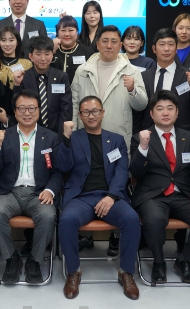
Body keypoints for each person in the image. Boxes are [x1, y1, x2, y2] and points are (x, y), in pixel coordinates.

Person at [58, 97, 141, 300]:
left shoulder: (117, 140)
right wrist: (66, 139)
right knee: (66, 220)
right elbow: (63, 166)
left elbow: (122, 172)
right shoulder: (73, 138)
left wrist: (111, 196)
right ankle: (73, 271)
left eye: (95, 111)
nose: (91, 115)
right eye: (86, 112)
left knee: (131, 219)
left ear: (102, 113)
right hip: (81, 197)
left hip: (111, 197)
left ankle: (126, 272)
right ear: (80, 116)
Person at [130, 90, 190, 284]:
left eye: (170, 108)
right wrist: (143, 147)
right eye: (160, 109)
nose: (165, 112)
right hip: (152, 196)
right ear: (151, 114)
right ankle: (158, 262)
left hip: (184, 195)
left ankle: (185, 260)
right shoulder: (140, 138)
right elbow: (135, 172)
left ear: (177, 112)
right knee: (155, 220)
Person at [0, 89, 61, 284]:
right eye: (21, 108)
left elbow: (57, 172)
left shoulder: (51, 137)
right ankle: (11, 258)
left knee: (48, 216)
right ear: (15, 111)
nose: (27, 113)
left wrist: (50, 190)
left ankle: (35, 260)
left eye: (31, 108)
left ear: (39, 110)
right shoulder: (5, 135)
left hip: (39, 193)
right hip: (9, 192)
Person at [71, 25, 147, 149]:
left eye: (114, 41)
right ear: (98, 44)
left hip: (118, 136)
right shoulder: (82, 70)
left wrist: (132, 90)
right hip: (85, 135)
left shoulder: (132, 71)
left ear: (120, 45)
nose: (109, 46)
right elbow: (74, 104)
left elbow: (141, 105)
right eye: (105, 41)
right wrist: (74, 133)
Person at [137, 28, 190, 135]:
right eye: (162, 44)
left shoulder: (188, 76)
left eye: (171, 44)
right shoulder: (143, 76)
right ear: (154, 49)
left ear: (176, 49)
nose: (166, 49)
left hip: (180, 135)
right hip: (149, 135)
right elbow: (138, 112)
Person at [13, 36, 71, 135]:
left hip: (56, 132)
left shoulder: (61, 77)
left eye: (47, 54)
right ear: (31, 56)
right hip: (29, 132)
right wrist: (17, 84)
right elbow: (16, 107)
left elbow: (66, 108)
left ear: (52, 55)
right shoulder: (24, 77)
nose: (43, 58)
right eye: (38, 54)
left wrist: (62, 135)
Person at [51, 15, 94, 83]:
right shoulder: (51, 52)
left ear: (77, 32)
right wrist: (52, 51)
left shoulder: (88, 52)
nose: (67, 34)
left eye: (71, 30)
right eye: (63, 30)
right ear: (57, 33)